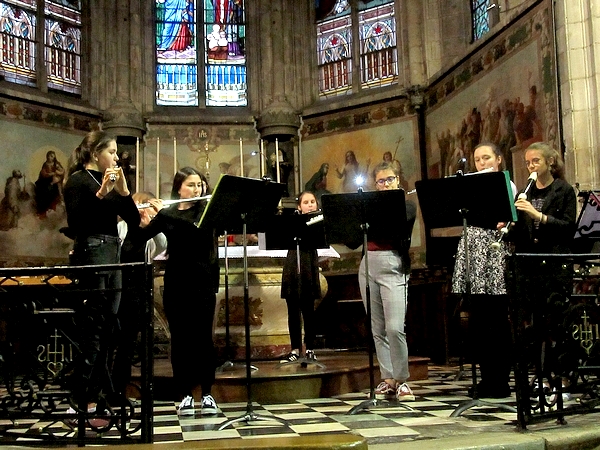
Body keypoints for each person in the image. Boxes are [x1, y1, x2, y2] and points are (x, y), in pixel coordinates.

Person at [131, 167, 219, 416]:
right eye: (191, 185)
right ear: (179, 187)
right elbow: (140, 238)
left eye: (200, 185)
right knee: (180, 340)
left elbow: (195, 234)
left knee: (203, 339)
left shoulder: (206, 212)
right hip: (177, 283)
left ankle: (208, 393)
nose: (197, 190)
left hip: (202, 281)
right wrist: (142, 219)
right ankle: (186, 394)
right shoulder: (168, 213)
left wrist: (165, 215)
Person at [63, 131, 140, 413]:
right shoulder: (78, 181)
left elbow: (133, 220)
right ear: (95, 154)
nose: (117, 157)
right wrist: (102, 194)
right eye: (111, 152)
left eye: (117, 153)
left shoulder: (110, 181)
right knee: (92, 331)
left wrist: (123, 192)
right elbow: (78, 224)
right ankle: (81, 399)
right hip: (92, 253)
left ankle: (97, 397)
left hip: (112, 255)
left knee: (108, 329)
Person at [507, 141, 577, 401]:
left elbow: (568, 227)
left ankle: (562, 378)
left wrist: (537, 216)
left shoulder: (563, 190)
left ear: (550, 163)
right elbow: (519, 230)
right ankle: (540, 379)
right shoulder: (524, 193)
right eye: (527, 162)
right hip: (530, 266)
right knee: (534, 325)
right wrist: (508, 225)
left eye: (535, 161)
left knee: (557, 324)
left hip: (555, 264)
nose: (531, 167)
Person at [451, 143, 517, 398]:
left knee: (497, 320)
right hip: (473, 254)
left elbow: (507, 220)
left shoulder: (505, 184)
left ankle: (501, 380)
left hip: (493, 254)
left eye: (486, 157)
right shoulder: (469, 185)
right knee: (478, 321)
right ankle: (487, 379)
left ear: (498, 159)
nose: (482, 163)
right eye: (478, 159)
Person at [359, 161, 417, 402]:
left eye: (389, 179)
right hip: (368, 264)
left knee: (394, 327)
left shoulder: (407, 205)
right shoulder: (366, 208)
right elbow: (354, 238)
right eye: (380, 181)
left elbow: (396, 231)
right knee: (378, 329)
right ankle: (388, 378)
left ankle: (402, 379)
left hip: (393, 264)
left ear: (398, 180)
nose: (385, 185)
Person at [112, 191, 167, 395]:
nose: (141, 208)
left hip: (138, 291)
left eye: (145, 205)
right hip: (119, 288)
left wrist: (151, 224)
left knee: (129, 342)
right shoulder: (121, 227)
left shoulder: (152, 231)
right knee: (114, 342)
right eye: (138, 204)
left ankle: (123, 389)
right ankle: (109, 387)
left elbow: (162, 246)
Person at [279, 191, 322, 364]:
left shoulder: (320, 221)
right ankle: (295, 348)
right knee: (293, 310)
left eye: (313, 201)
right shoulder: (292, 222)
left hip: (308, 263)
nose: (310, 205)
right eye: (306, 202)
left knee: (308, 309)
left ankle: (310, 347)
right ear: (299, 206)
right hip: (293, 262)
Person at [35, 150, 65, 217]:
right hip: (45, 181)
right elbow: (43, 174)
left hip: (54, 182)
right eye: (50, 156)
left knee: (53, 191)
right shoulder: (45, 164)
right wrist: (49, 174)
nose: (51, 158)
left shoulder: (56, 164)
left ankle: (52, 208)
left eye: (53, 156)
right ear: (47, 156)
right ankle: (43, 210)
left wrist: (56, 173)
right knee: (41, 191)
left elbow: (62, 171)